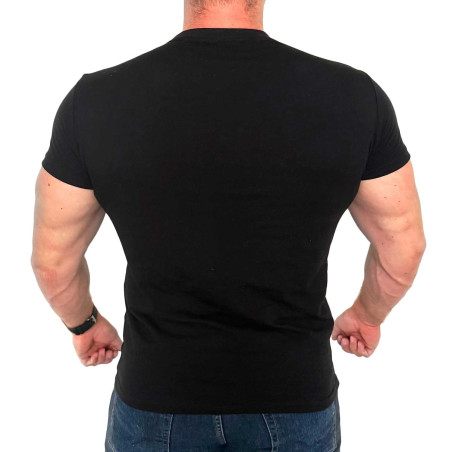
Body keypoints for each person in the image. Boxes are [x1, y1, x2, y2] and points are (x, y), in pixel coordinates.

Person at [30, 0, 426, 450]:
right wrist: (367, 316)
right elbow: (403, 247)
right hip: (295, 394)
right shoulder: (354, 96)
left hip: (156, 394)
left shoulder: (95, 100)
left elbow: (52, 264)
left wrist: (85, 324)